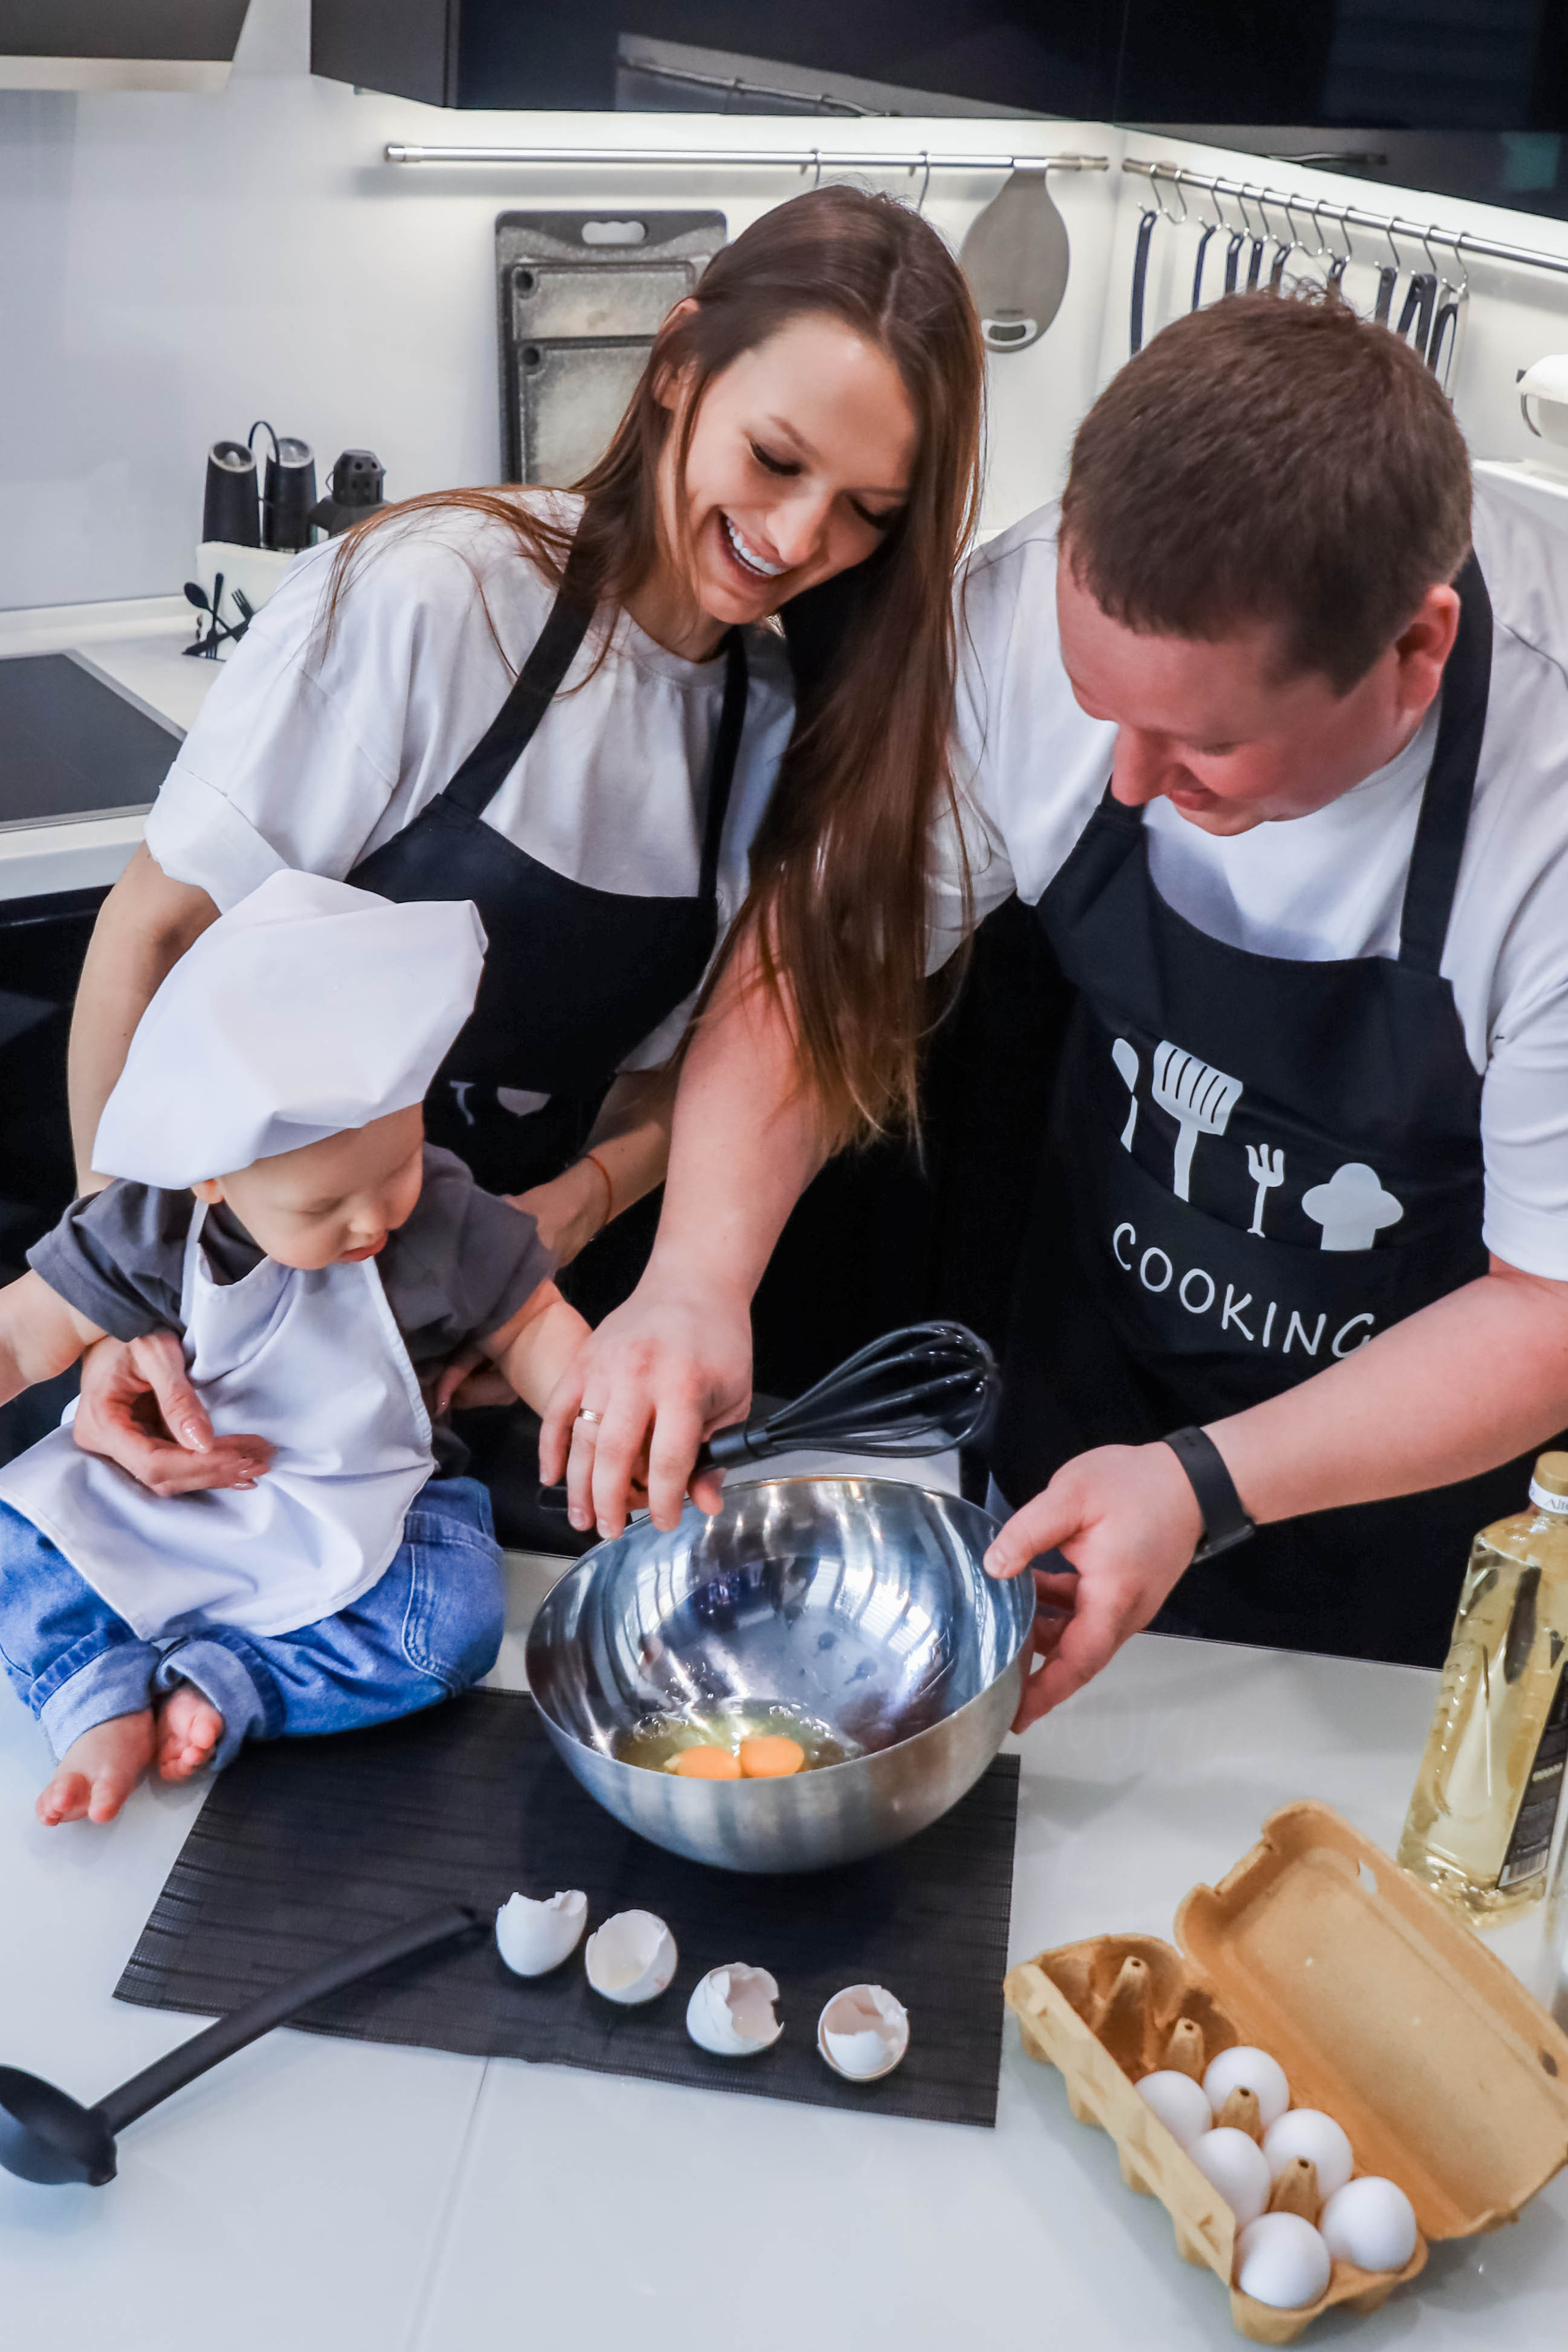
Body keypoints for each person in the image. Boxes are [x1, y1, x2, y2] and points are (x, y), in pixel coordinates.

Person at [546, 293, 1568, 1724]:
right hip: (1093, 1379)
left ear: (1415, 651)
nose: (1132, 789)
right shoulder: (1022, 612)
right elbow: (820, 958)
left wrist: (1203, 1482)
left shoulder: (1548, 803)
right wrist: (694, 1277)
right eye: (1104, 715)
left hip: (1418, 1510)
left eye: (1205, 744)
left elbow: (1546, 1305)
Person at [61, 184, 985, 1498]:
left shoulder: (775, 729)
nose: (795, 539)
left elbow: (697, 1085)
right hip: (222, 1333)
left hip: (490, 1345)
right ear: (675, 366)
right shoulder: (435, 599)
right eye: (775, 461)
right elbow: (152, 936)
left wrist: (566, 1218)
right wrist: (121, 1293)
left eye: (865, 513)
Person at [0, 873, 587, 1826]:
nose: (374, 1221)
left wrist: (600, 1416)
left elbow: (539, 1331)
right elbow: (24, 1334)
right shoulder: (148, 1222)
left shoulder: (439, 1220)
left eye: (397, 1164)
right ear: (212, 1181)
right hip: (170, 1499)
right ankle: (93, 1691)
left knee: (458, 1623)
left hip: (365, 1508)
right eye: (322, 1208)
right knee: (14, 1541)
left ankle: (236, 1685)